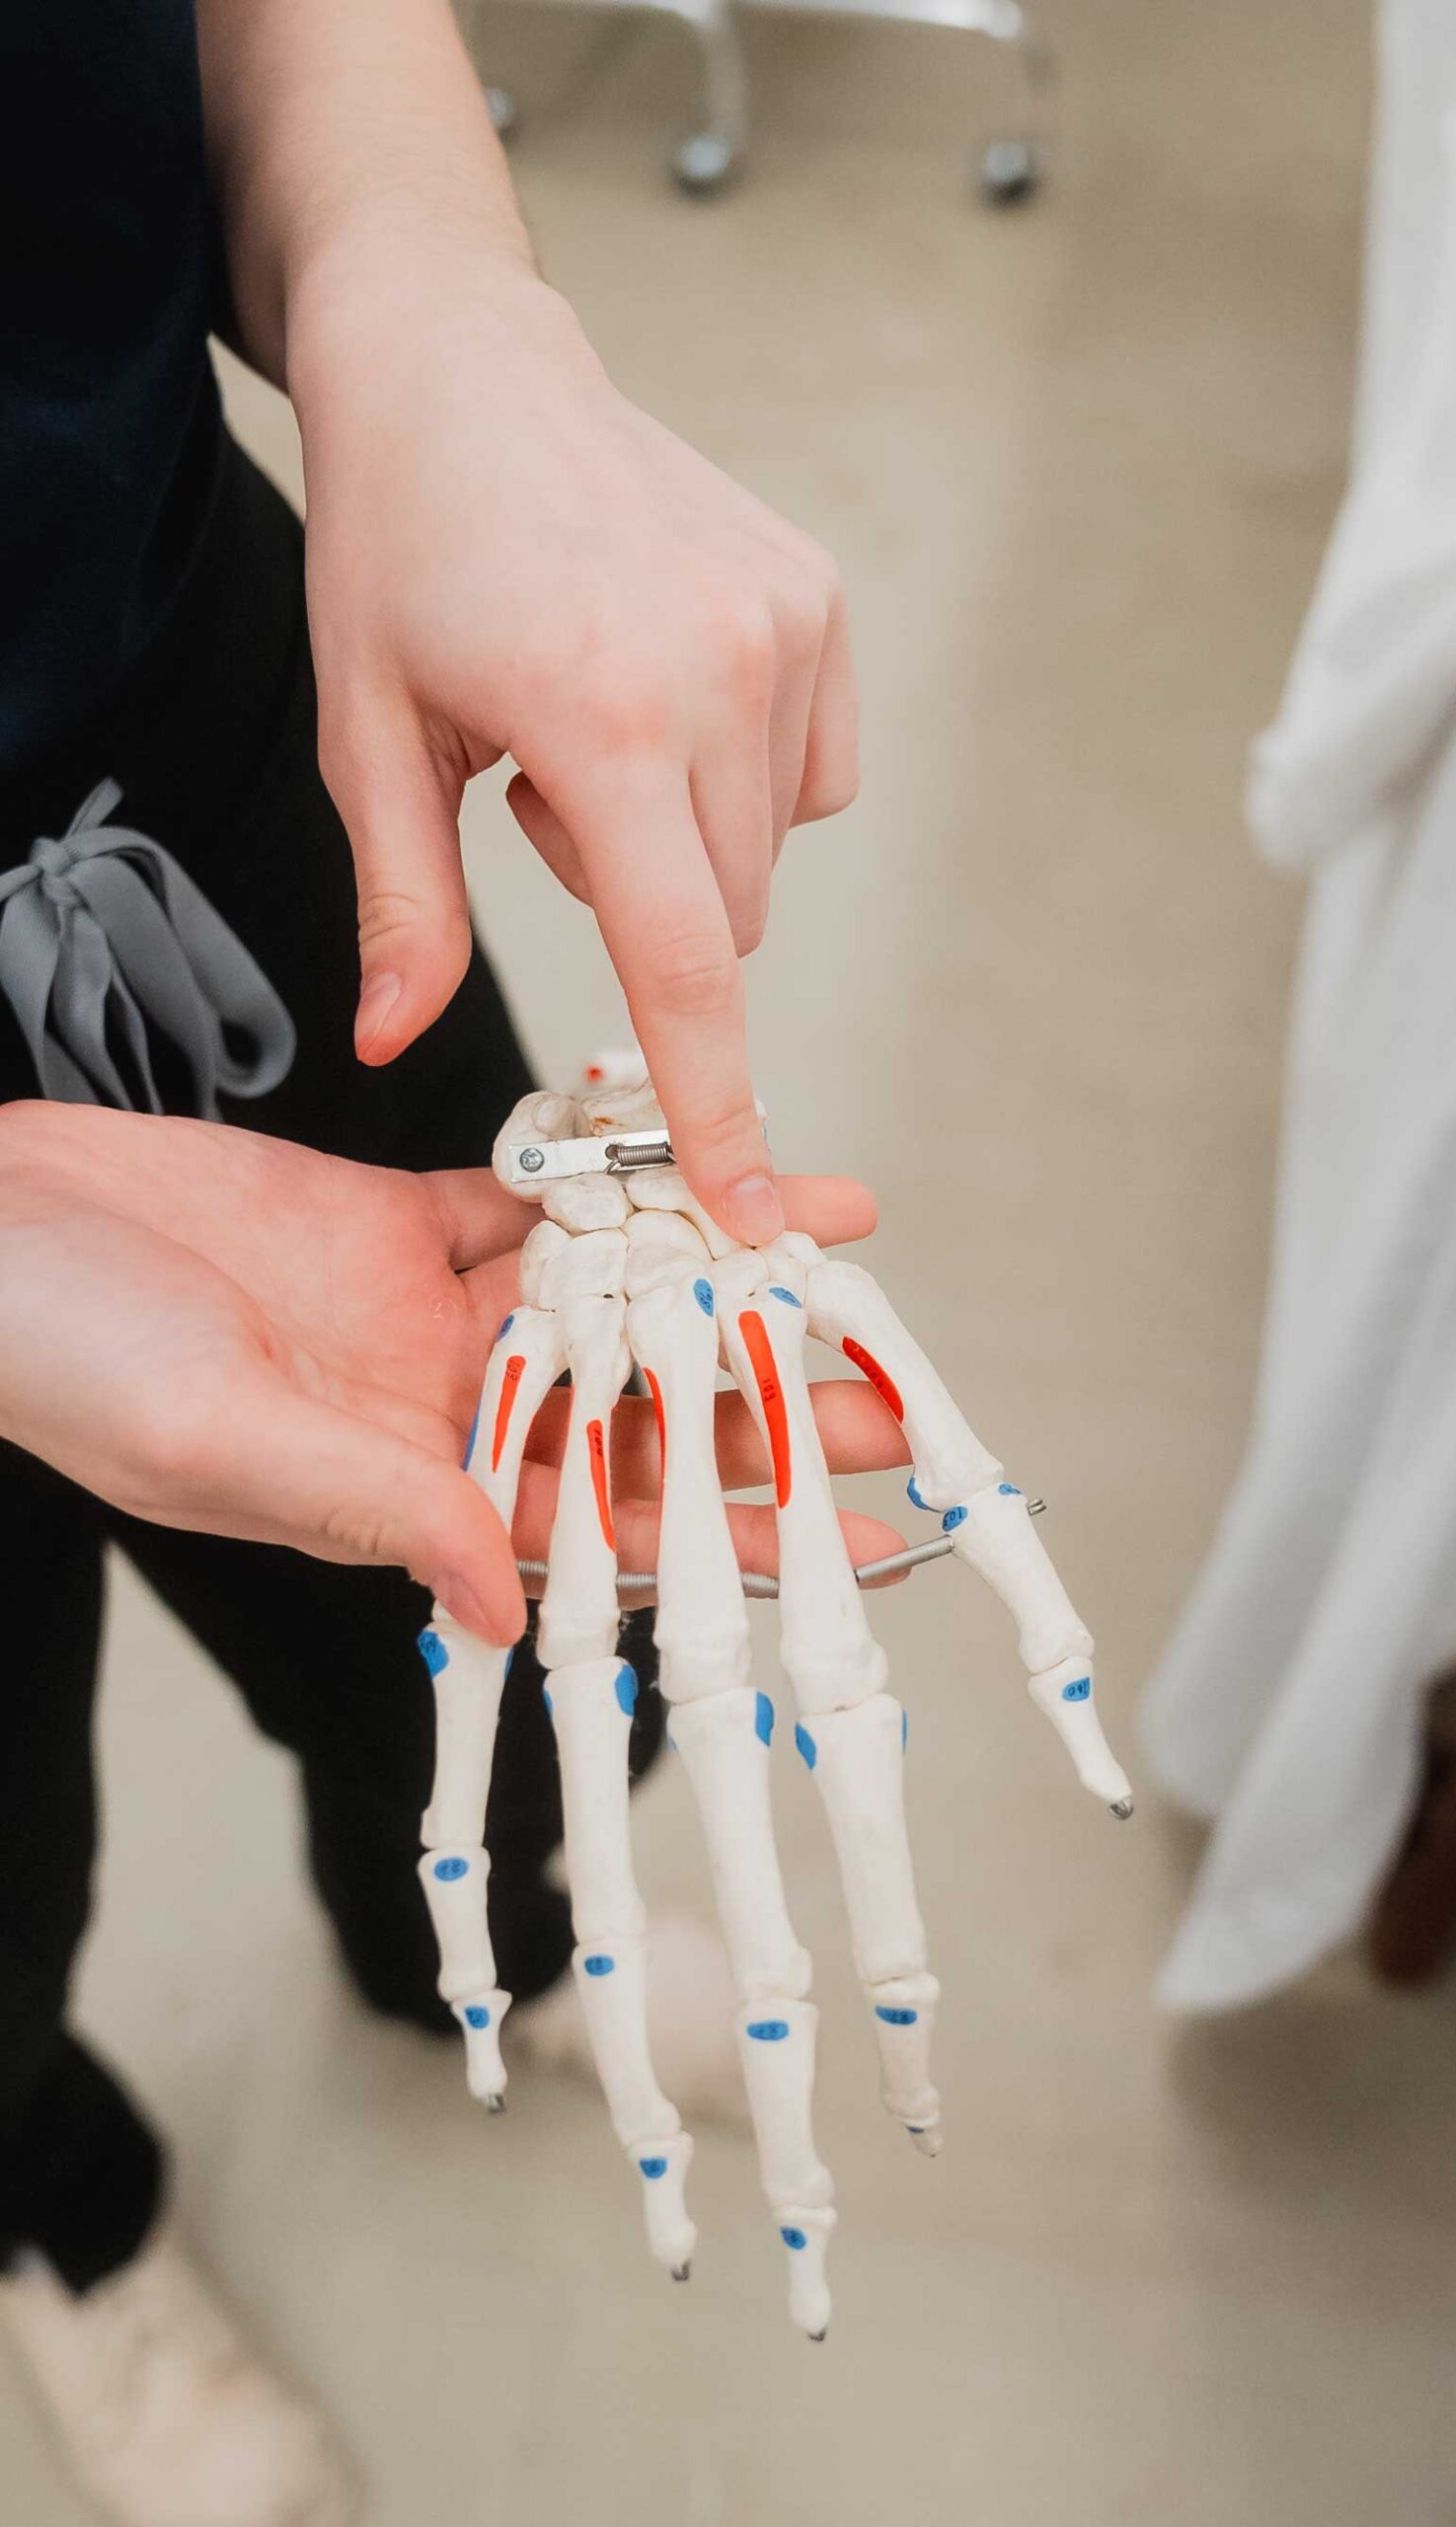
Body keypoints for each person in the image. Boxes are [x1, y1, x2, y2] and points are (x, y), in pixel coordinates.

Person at [0, 0, 864, 2519]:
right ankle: (58, 2206)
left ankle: (487, 1932)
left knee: (494, 1544)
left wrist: (421, 294)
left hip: (202, 764)